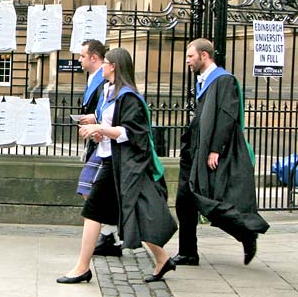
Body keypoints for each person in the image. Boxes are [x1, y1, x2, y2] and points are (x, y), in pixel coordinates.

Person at [58, 47, 177, 284]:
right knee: (132, 212)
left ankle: (82, 267)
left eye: (106, 63)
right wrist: (99, 130)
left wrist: (100, 129)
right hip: (109, 160)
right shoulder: (108, 91)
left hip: (122, 164)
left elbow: (133, 133)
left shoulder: (129, 97)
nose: (102, 66)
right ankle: (163, 258)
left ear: (114, 67)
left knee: (92, 211)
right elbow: (113, 126)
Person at [173, 38, 269, 267]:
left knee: (209, 202)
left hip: (209, 151)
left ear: (204, 55)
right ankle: (188, 252)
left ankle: (247, 233)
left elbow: (227, 116)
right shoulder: (203, 81)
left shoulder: (223, 80)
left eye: (190, 56)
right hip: (193, 150)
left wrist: (215, 149)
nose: (188, 61)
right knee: (184, 202)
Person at [75, 40, 120, 257]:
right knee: (91, 188)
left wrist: (98, 125)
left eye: (82, 56)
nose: (79, 60)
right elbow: (102, 112)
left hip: (109, 146)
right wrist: (92, 119)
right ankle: (110, 235)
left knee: (89, 189)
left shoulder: (115, 87)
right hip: (100, 142)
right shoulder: (98, 81)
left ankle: (109, 235)